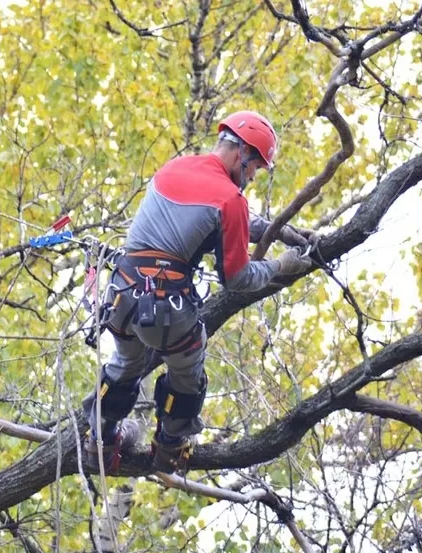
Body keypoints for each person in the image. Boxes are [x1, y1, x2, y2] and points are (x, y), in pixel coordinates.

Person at [83, 110, 316, 473]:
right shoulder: (229, 199)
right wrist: (280, 267)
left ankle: (101, 436)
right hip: (167, 306)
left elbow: (211, 220)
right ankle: (170, 446)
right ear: (243, 155)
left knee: (126, 364)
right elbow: (236, 278)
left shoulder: (173, 169)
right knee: (188, 371)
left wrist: (278, 230)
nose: (252, 177)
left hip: (123, 293)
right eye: (255, 168)